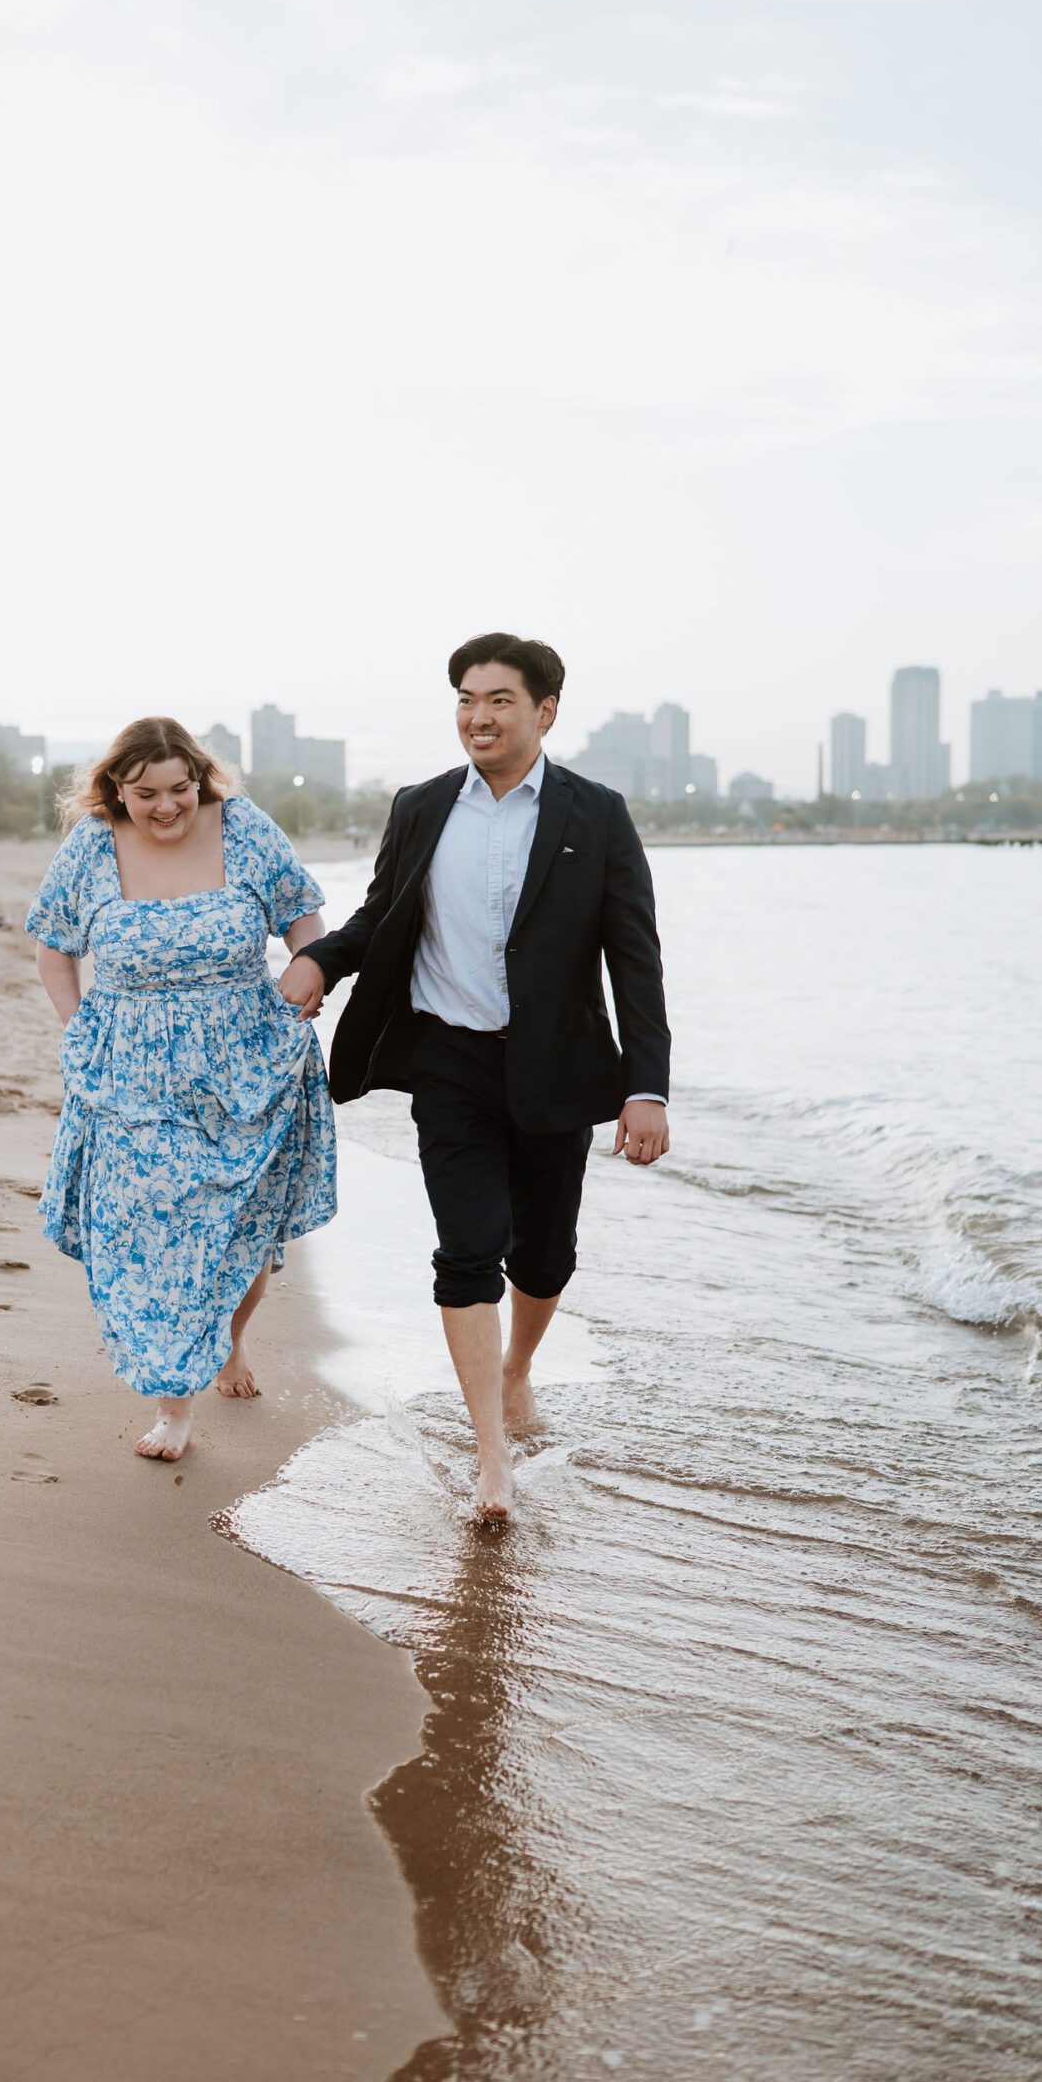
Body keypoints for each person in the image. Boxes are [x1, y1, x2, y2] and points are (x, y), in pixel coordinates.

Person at [280, 633, 670, 1525]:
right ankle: (490, 1456)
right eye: (464, 698)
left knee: (543, 1253)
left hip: (553, 1067)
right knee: (466, 1248)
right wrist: (320, 962)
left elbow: (634, 959)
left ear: (544, 711)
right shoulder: (420, 807)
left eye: (498, 700)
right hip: (446, 1060)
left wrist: (646, 1086)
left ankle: (518, 1368)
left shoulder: (594, 813)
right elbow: (382, 913)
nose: (477, 716)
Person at [27, 717, 336, 1462]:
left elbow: (305, 921)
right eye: (145, 794)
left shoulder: (243, 829)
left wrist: (309, 971)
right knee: (153, 1238)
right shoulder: (92, 846)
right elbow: (54, 950)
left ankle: (226, 1344)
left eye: (180, 789)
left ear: (199, 779)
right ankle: (174, 1409)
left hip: (247, 1066)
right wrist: (79, 1034)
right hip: (130, 1073)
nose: (167, 808)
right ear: (115, 790)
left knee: (243, 1233)